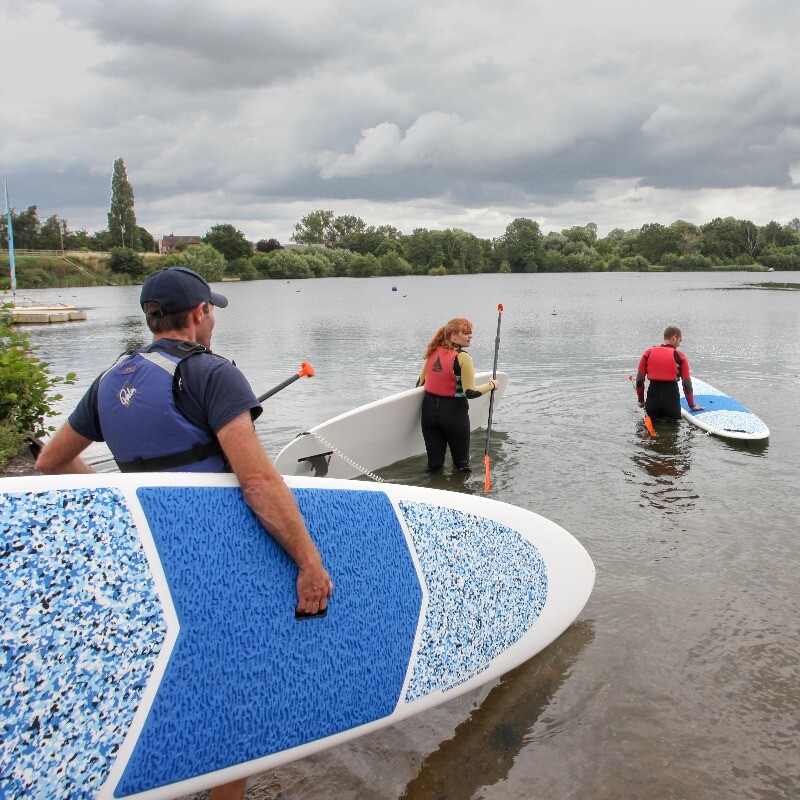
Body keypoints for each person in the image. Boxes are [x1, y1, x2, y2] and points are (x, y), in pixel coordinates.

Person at [36, 266, 333, 800]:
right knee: (234, 693)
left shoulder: (108, 381)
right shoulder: (212, 373)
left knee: (175, 675)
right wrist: (309, 561)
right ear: (200, 314)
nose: (212, 318)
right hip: (218, 559)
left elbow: (52, 462)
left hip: (150, 554)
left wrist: (125, 500)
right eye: (210, 309)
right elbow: (259, 483)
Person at [416, 317, 498, 474]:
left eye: (470, 333)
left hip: (428, 414)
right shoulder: (463, 357)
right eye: (466, 333)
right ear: (453, 336)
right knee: (462, 466)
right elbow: (470, 392)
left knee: (434, 466)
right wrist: (492, 385)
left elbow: (420, 383)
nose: (470, 336)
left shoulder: (432, 352)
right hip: (454, 416)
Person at [635, 325, 703, 420]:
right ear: (674, 338)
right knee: (673, 431)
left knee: (651, 428)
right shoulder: (680, 356)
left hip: (652, 400)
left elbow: (639, 380)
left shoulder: (648, 353)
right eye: (680, 341)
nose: (679, 344)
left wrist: (641, 400)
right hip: (671, 401)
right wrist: (692, 405)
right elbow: (686, 383)